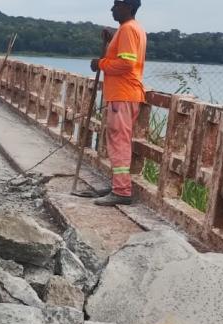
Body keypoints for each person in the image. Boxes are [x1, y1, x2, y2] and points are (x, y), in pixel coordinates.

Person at [89, 0, 147, 206]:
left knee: (119, 142)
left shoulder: (128, 30)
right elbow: (125, 54)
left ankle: (121, 191)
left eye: (117, 5)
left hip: (123, 95)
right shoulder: (132, 29)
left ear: (128, 7)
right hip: (125, 94)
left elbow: (126, 63)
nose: (112, 9)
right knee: (118, 140)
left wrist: (100, 63)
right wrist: (113, 36)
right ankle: (117, 184)